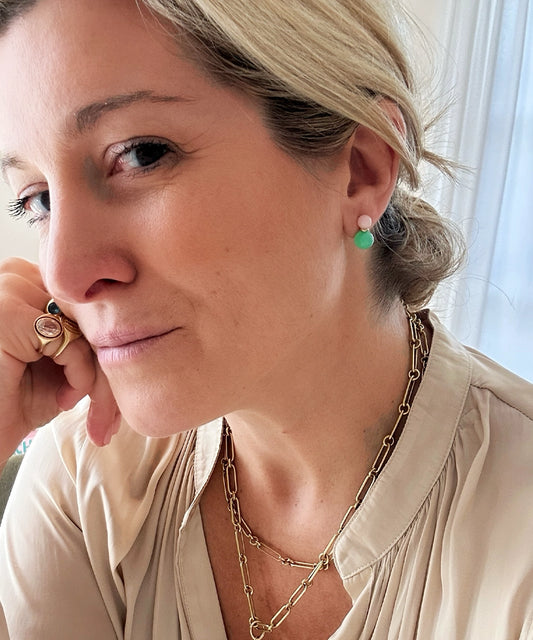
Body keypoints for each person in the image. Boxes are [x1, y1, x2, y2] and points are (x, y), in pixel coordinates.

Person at [0, 0, 532, 638]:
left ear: (360, 170)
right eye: (38, 198)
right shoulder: (84, 482)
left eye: (141, 154)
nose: (63, 273)